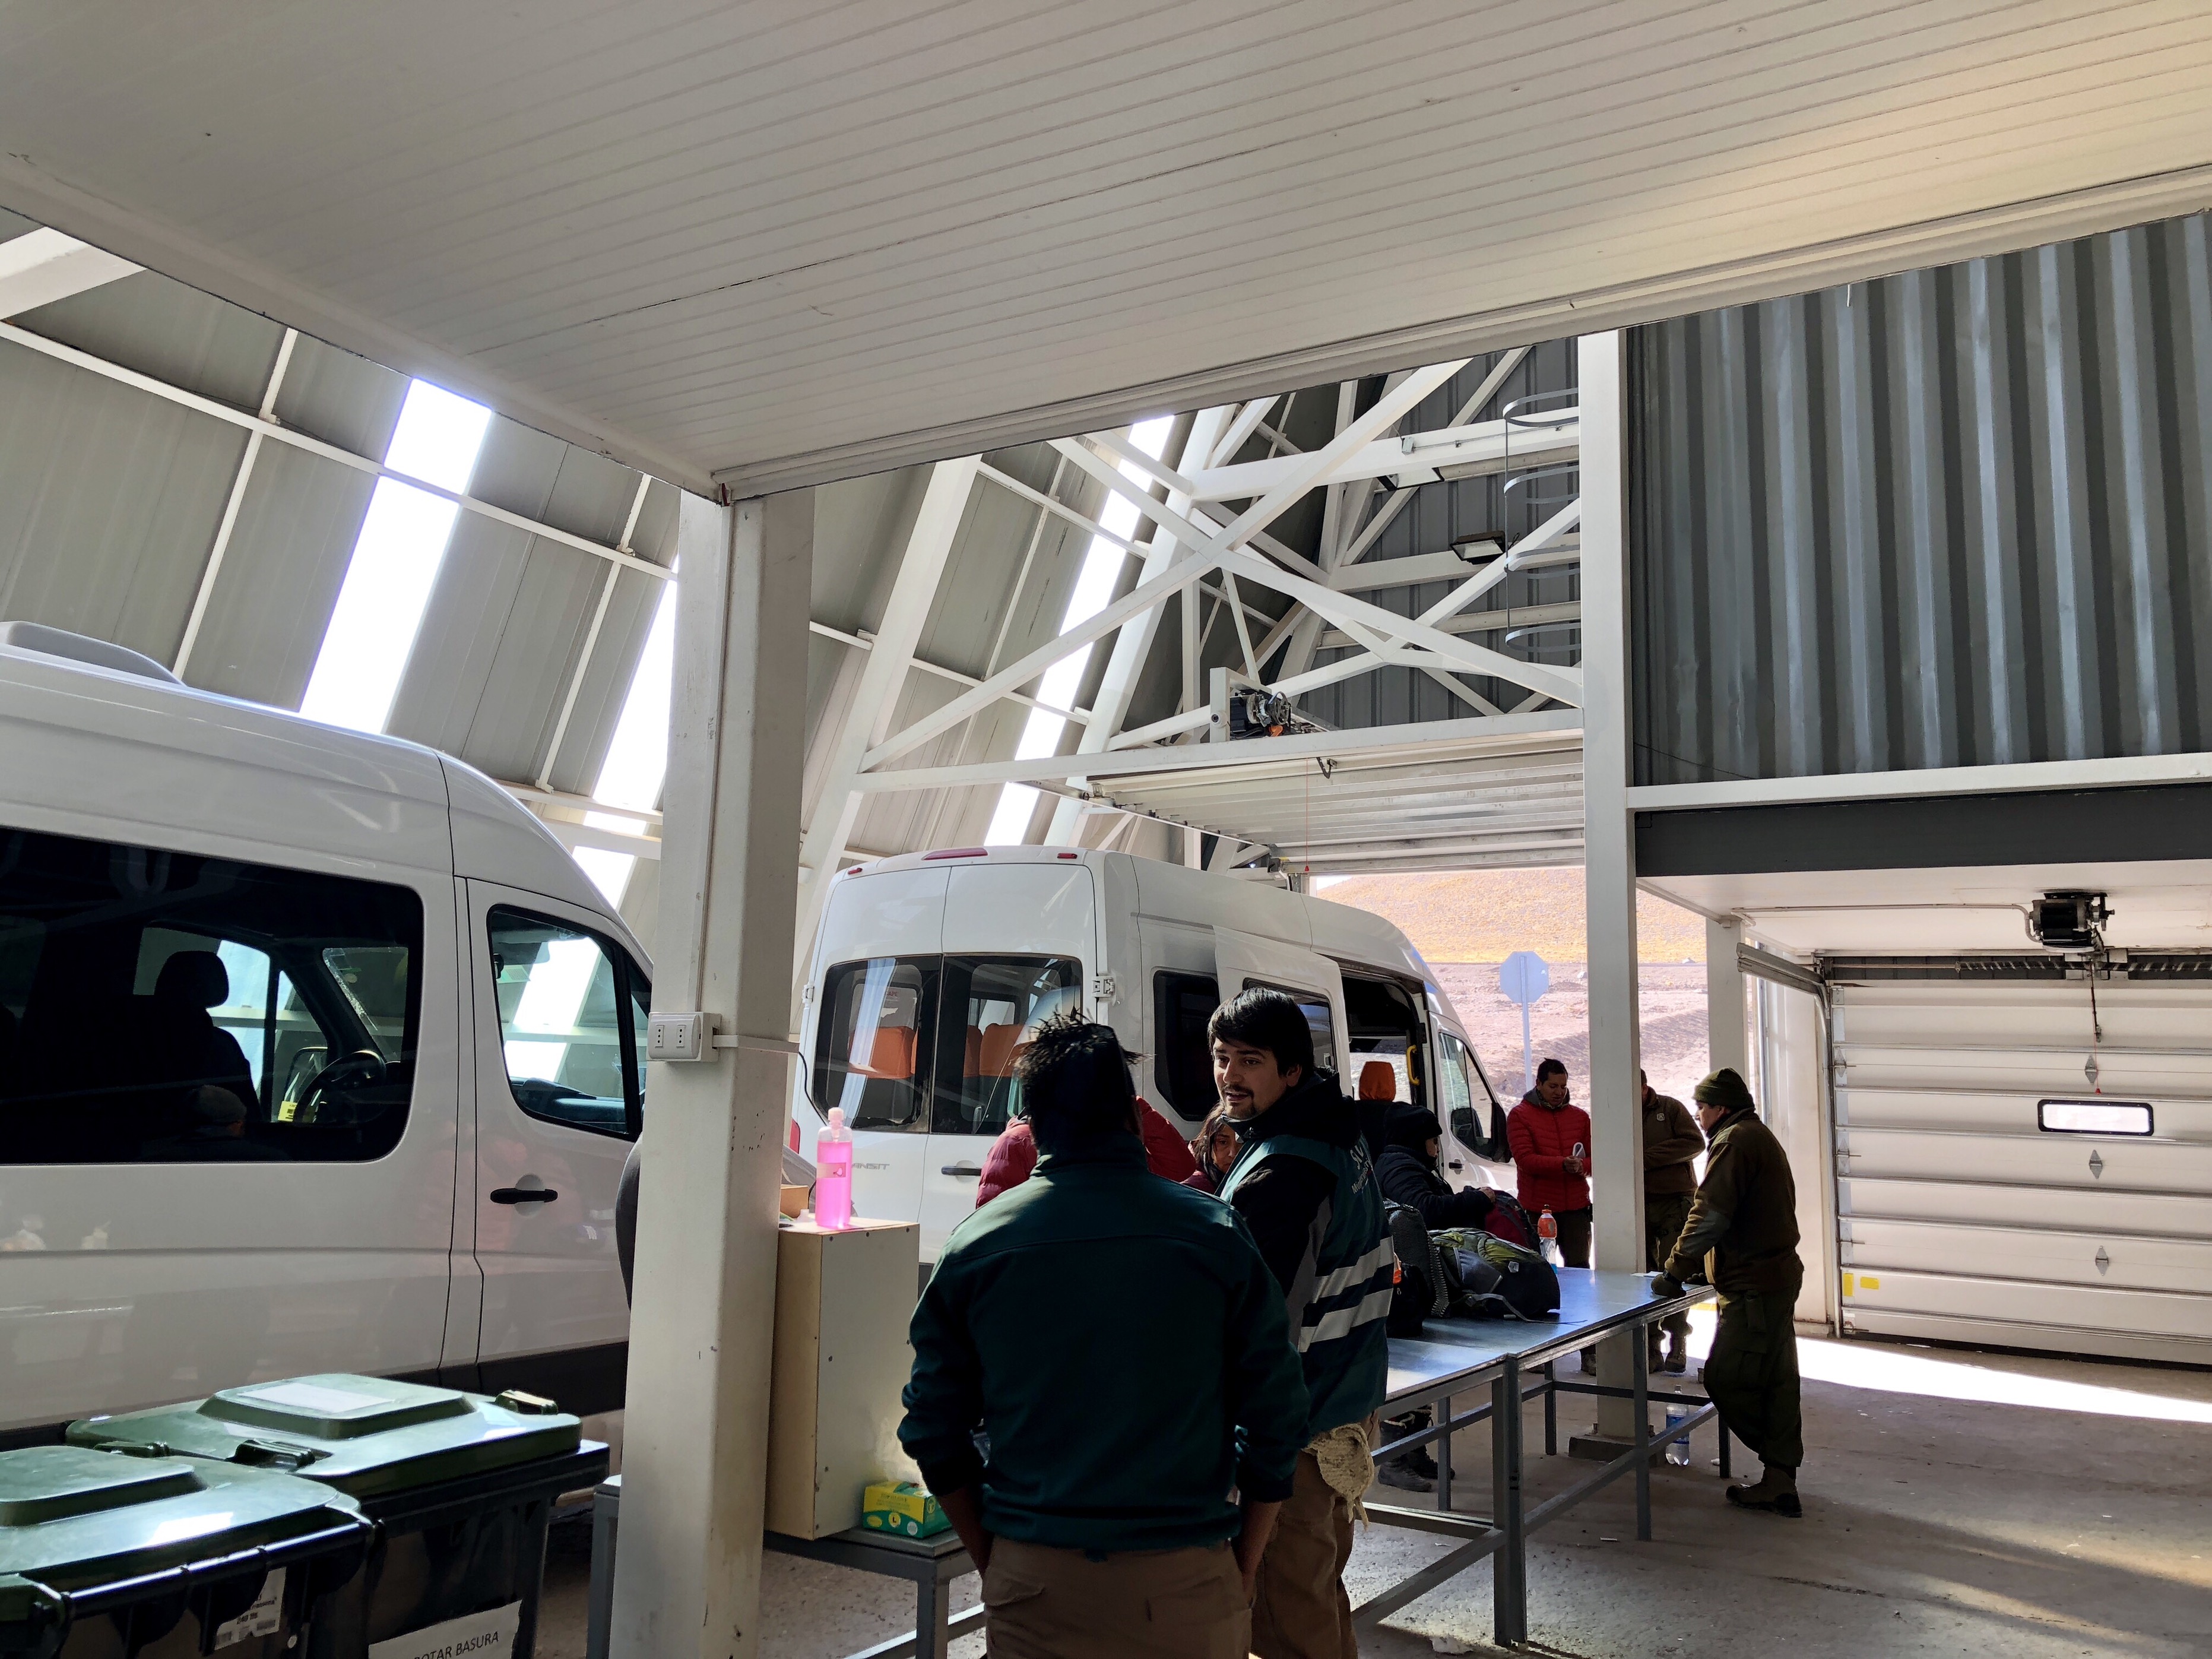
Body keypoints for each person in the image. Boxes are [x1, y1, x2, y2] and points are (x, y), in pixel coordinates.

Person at [901, 1014, 1308, 1658]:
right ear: (1131, 1115)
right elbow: (1278, 1418)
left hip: (1034, 1586)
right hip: (1187, 1586)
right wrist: (1244, 1566)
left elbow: (931, 1428)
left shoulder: (977, 1246)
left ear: (1033, 1125)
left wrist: (998, 1560)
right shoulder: (1215, 1235)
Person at [1212, 989, 1392, 1659]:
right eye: (1222, 1057)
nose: (1229, 1076)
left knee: (1288, 1618)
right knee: (1316, 1593)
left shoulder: (1286, 1172)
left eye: (1250, 1061)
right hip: (1345, 1402)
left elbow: (1262, 1332)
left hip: (1299, 1430)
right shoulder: (1335, 1131)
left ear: (1291, 1071)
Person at [1650, 1067, 1805, 1518]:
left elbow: (1711, 1214)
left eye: (1701, 1107)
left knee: (1726, 1377)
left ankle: (1777, 1463)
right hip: (1773, 1279)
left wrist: (1676, 1269)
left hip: (1753, 1287)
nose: (1698, 1115)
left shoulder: (1735, 1142)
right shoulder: (1756, 1136)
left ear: (1720, 1107)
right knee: (1776, 1381)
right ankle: (1780, 1480)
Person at [1506, 1056, 1596, 1369]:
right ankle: (1537, 1355)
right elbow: (1525, 1159)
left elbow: (1595, 1158)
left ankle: (1589, 1351)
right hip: (1537, 1211)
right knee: (1537, 1279)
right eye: (1553, 1086)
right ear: (1539, 1085)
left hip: (1576, 1210)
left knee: (1580, 1278)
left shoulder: (1580, 1117)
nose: (1559, 1092)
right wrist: (1563, 1164)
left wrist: (1581, 1166)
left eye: (1563, 1086)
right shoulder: (1520, 1116)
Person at [974, 1086, 1198, 1204]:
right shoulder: (1016, 1142)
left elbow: (1180, 1168)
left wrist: (1134, 1107)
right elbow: (991, 1220)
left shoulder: (1110, 1139)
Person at [1641, 1069, 1704, 1375]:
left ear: (1645, 1087)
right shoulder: (1618, 1113)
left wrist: (1646, 1157)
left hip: (1675, 1203)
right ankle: (1651, 1345)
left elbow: (1694, 1143)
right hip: (1637, 1203)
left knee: (1674, 1271)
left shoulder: (1670, 1109)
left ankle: (1678, 1340)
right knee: (1642, 1276)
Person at [1374, 1104, 1497, 1232]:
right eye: (1434, 1141)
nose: (1438, 1149)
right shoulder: (1399, 1169)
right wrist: (1476, 1199)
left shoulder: (1400, 1164)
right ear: (1418, 1141)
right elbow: (1424, 1211)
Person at [1185, 1103, 1239, 1194]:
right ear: (1208, 1144)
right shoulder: (1194, 1189)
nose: (1233, 1154)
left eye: (1242, 1143)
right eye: (1223, 1142)